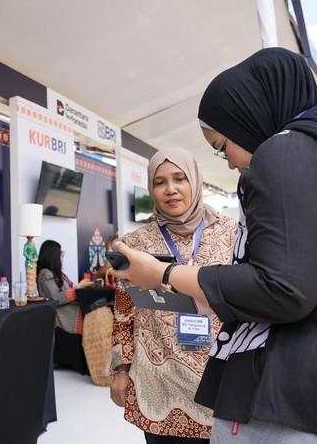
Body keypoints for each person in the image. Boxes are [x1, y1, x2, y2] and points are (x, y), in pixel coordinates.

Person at [111, 48, 317, 443]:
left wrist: (164, 274)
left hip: (293, 398)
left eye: (222, 146)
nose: (229, 162)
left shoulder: (282, 154)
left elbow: (282, 288)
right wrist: (121, 367)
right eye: (159, 181)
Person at [110, 148, 235, 444]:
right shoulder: (134, 244)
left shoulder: (232, 234)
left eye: (180, 178)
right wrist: (120, 369)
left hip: (220, 380)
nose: (170, 189)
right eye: (159, 182)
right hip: (158, 383)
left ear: (195, 180)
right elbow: (123, 312)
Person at [36, 240, 94, 334]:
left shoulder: (57, 273)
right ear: (53, 256)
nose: (62, 256)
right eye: (60, 253)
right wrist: (78, 287)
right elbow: (56, 298)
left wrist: (80, 286)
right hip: (64, 315)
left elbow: (69, 289)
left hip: (71, 309)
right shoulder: (45, 274)